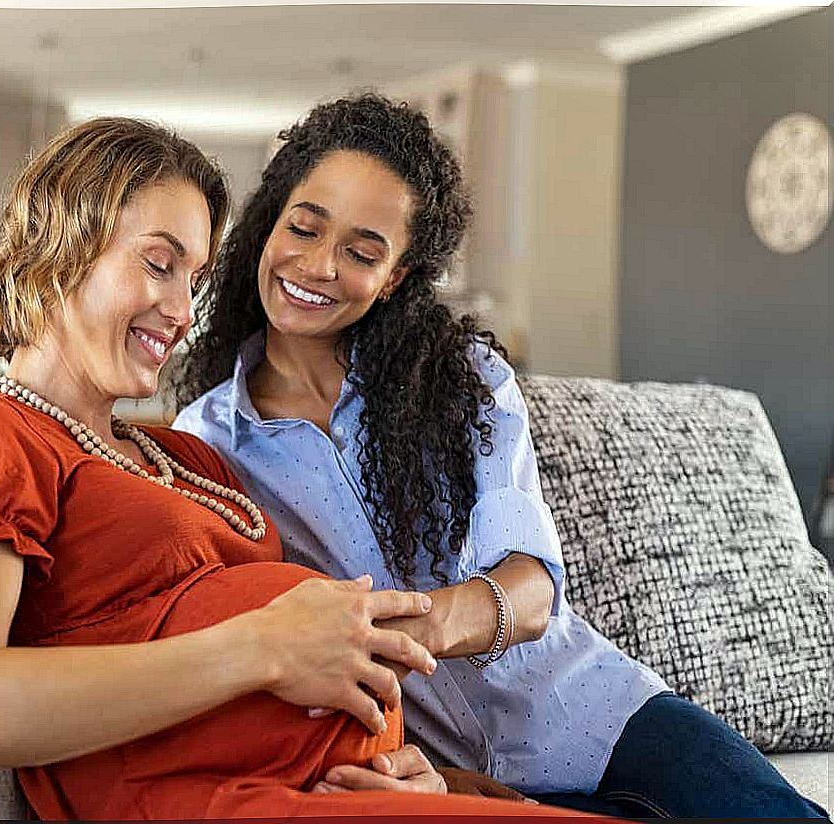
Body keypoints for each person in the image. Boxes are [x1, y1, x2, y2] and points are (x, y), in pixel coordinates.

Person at [0, 116, 593, 820]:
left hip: (347, 789)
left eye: (193, 280)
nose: (181, 313)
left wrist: (415, 771)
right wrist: (256, 648)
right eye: (159, 265)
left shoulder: (190, 457)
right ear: (59, 246)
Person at [172, 93, 829, 820]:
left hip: (604, 715)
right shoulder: (207, 445)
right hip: (428, 771)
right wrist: (437, 776)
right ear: (270, 224)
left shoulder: (467, 383)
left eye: (362, 252)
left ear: (395, 276)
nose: (319, 266)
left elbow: (531, 588)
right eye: (303, 227)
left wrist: (421, 628)